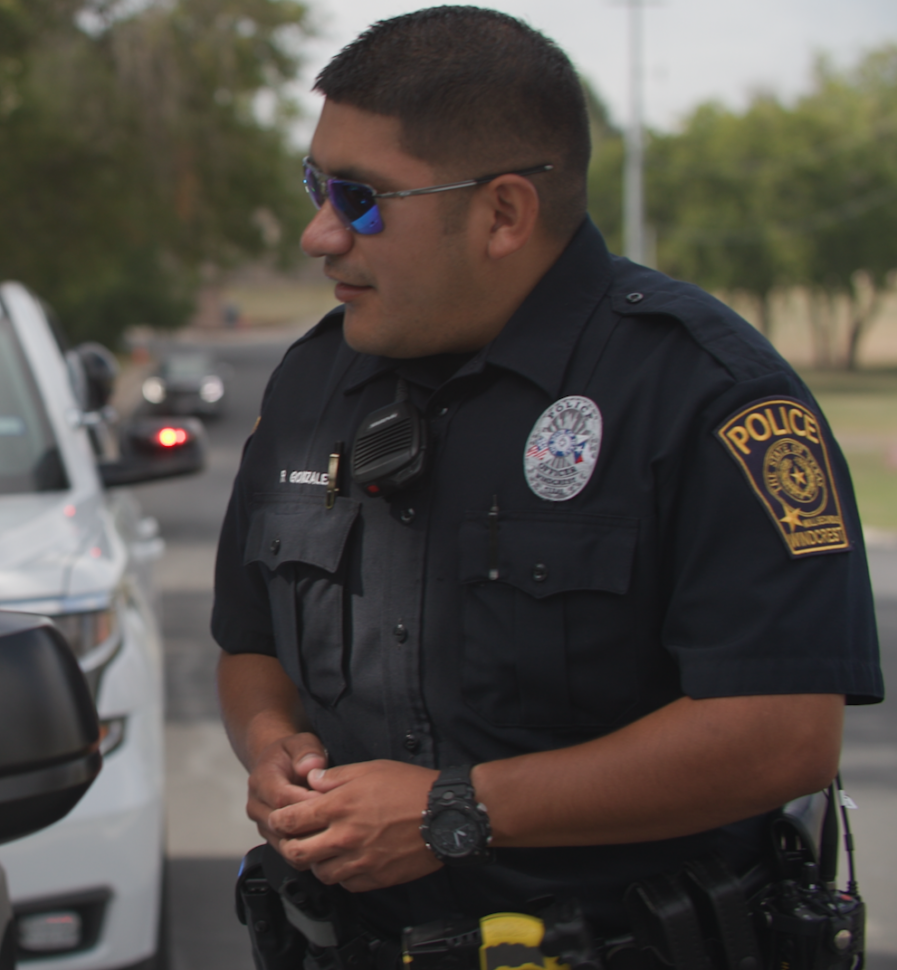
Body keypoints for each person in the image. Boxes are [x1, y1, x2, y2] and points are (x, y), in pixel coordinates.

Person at [211, 4, 883, 958]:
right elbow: (249, 644)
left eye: (360, 198)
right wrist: (270, 740)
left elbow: (780, 732)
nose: (320, 233)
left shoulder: (707, 394)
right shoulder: (317, 381)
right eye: (316, 183)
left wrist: (457, 810)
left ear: (502, 213)